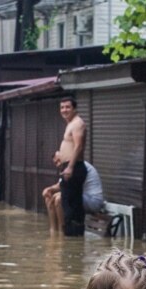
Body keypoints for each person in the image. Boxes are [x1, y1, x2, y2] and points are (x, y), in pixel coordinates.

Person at [42, 151, 104, 233]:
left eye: (59, 160)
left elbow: (70, 191)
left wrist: (58, 193)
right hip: (81, 198)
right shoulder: (66, 168)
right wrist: (49, 189)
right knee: (48, 197)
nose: (58, 164)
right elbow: (60, 185)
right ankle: (53, 230)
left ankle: (62, 232)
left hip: (93, 201)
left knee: (59, 198)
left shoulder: (76, 166)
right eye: (56, 163)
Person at [56, 95, 88, 236]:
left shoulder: (77, 123)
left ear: (74, 108)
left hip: (74, 167)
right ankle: (69, 238)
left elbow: (79, 146)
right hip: (68, 167)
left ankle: (73, 238)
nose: (64, 110)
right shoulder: (70, 124)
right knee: (67, 203)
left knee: (70, 206)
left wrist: (70, 166)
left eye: (68, 107)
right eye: (62, 107)